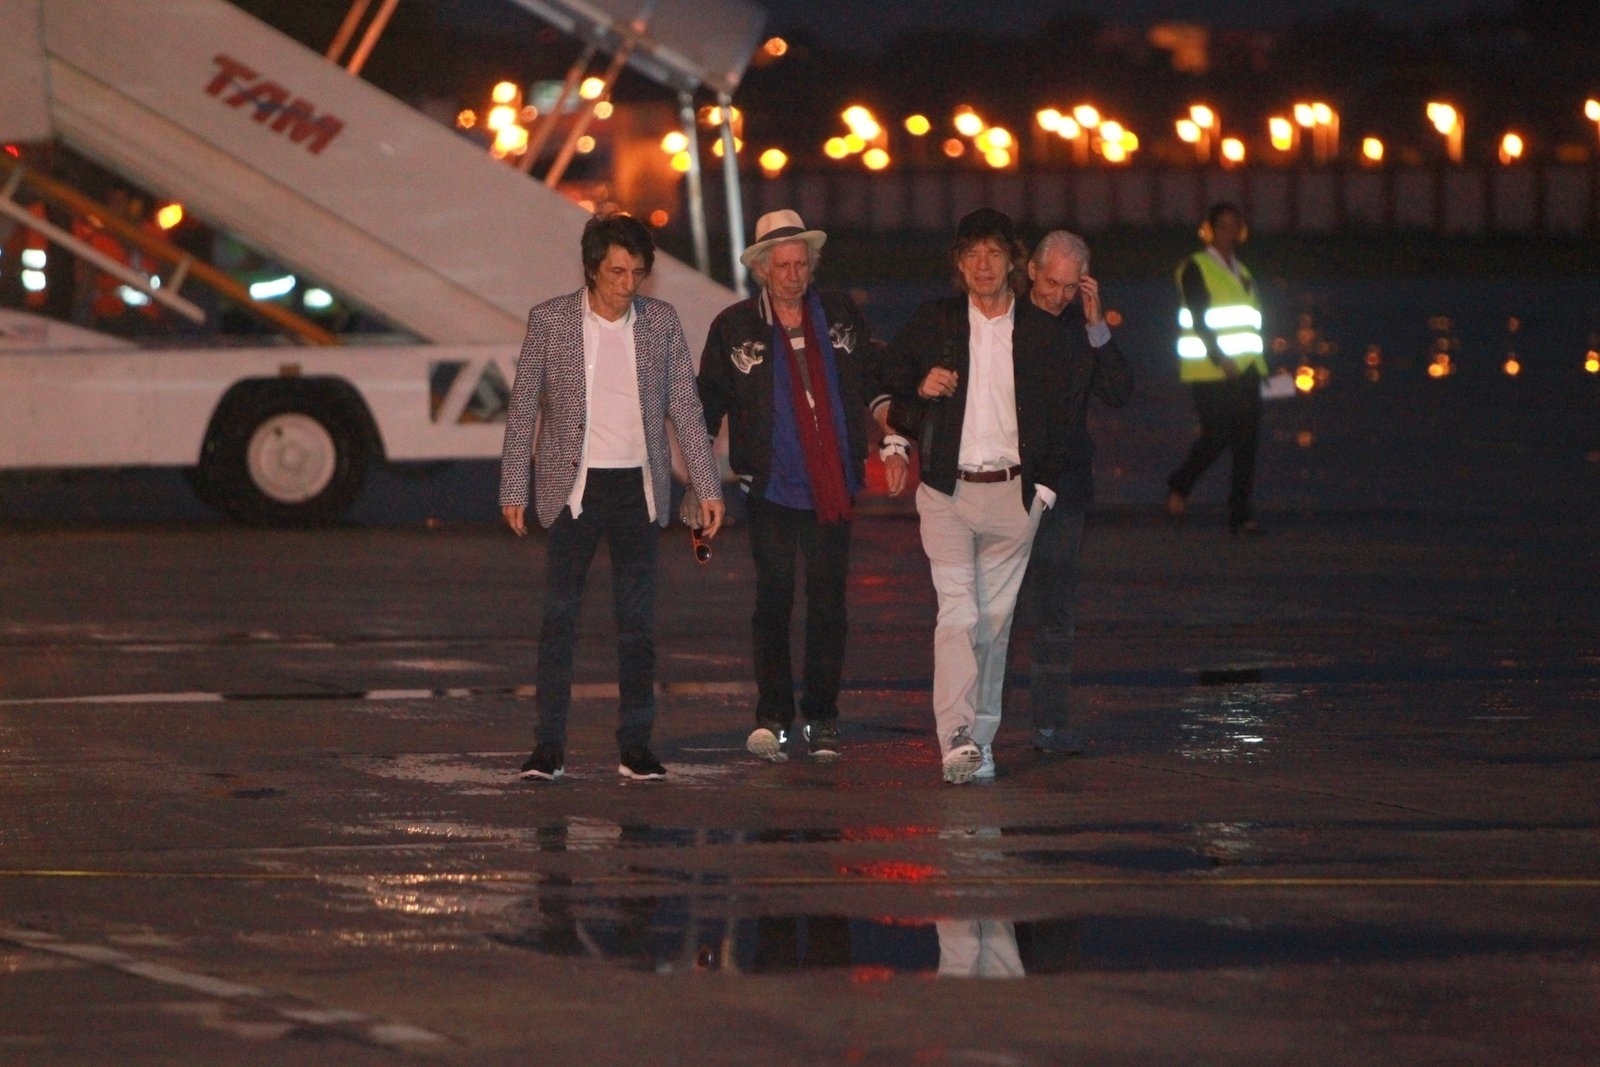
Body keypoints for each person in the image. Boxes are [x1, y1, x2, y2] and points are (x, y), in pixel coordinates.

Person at [499, 212, 725, 782]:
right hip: (573, 488)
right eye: (617, 272)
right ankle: (548, 748)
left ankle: (636, 746)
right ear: (592, 269)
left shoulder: (660, 322)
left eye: (637, 273)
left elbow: (685, 408)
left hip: (637, 489)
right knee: (560, 619)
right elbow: (524, 408)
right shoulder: (550, 320)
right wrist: (513, 486)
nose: (628, 285)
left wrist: (706, 485)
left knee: (637, 624)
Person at [695, 209, 902, 763]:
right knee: (773, 599)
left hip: (833, 483)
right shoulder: (734, 327)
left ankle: (823, 716)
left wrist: (894, 435)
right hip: (770, 487)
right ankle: (773, 717)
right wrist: (699, 481)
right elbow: (706, 404)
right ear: (762, 269)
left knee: (829, 603)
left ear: (812, 265)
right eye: (782, 266)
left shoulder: (839, 313)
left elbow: (872, 380)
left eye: (800, 264)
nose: (792, 275)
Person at [880, 208, 1070, 784]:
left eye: (993, 253)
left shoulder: (1039, 329)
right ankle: (956, 736)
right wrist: (913, 401)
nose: (983, 265)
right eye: (971, 254)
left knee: (993, 625)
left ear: (1013, 261)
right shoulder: (936, 321)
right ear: (958, 264)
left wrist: (1043, 489)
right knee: (958, 614)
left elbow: (1065, 411)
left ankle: (981, 738)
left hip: (1015, 496)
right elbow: (886, 381)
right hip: (947, 491)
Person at [1020, 231, 1133, 756]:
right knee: (994, 613)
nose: (1058, 295)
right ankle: (978, 722)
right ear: (1031, 271)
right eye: (1051, 283)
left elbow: (1119, 392)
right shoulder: (1006, 322)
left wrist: (1096, 325)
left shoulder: (1080, 328)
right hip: (1009, 483)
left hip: (1066, 488)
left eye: (1070, 287)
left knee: (1055, 612)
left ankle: (1049, 723)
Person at [1165, 202, 1269, 535]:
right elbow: (1199, 316)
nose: (1229, 232)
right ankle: (1180, 485)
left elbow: (1250, 321)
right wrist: (1218, 356)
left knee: (1247, 442)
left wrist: (1263, 365)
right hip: (1210, 370)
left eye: (1234, 225)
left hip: (1247, 367)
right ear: (1210, 230)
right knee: (1218, 433)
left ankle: (1241, 513)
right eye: (1222, 225)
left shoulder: (1242, 270)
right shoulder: (1195, 266)